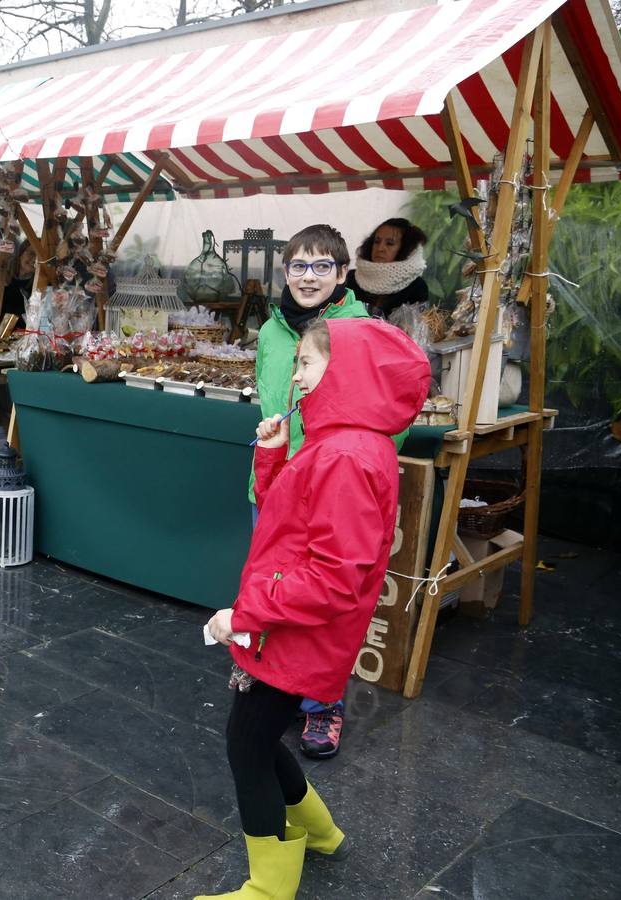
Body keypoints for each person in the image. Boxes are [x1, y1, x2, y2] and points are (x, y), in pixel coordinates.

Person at [200, 317, 429, 900]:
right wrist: (274, 457)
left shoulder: (347, 454)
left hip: (292, 634)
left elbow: (333, 578)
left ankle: (269, 888)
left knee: (246, 745)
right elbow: (294, 521)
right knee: (257, 735)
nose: (296, 377)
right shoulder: (340, 443)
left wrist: (246, 617)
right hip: (292, 629)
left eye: (305, 364)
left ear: (346, 370)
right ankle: (319, 834)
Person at [251, 224, 392, 760]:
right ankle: (272, 682)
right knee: (275, 583)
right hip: (273, 478)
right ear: (284, 272)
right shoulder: (269, 332)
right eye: (297, 267)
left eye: (321, 267)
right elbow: (269, 394)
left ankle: (321, 704)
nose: (308, 277)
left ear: (341, 274)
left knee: (324, 602)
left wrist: (341, 461)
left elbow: (380, 416)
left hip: (330, 489)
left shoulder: (358, 328)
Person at [345, 218, 429, 319]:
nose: (380, 248)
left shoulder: (417, 287)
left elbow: (414, 329)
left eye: (389, 243)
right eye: (376, 241)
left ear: (405, 249)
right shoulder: (351, 277)